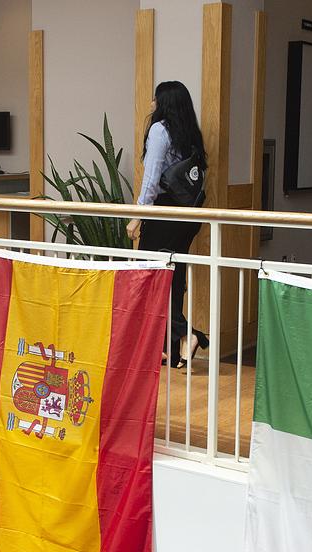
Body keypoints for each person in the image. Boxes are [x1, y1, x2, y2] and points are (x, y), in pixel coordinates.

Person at [126, 81, 209, 369]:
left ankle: (187, 335)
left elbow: (151, 178)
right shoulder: (189, 132)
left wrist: (138, 215)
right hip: (186, 216)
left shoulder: (160, 130)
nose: (152, 103)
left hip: (163, 214)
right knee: (174, 277)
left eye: (155, 98)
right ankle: (172, 348)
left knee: (152, 277)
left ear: (164, 103)